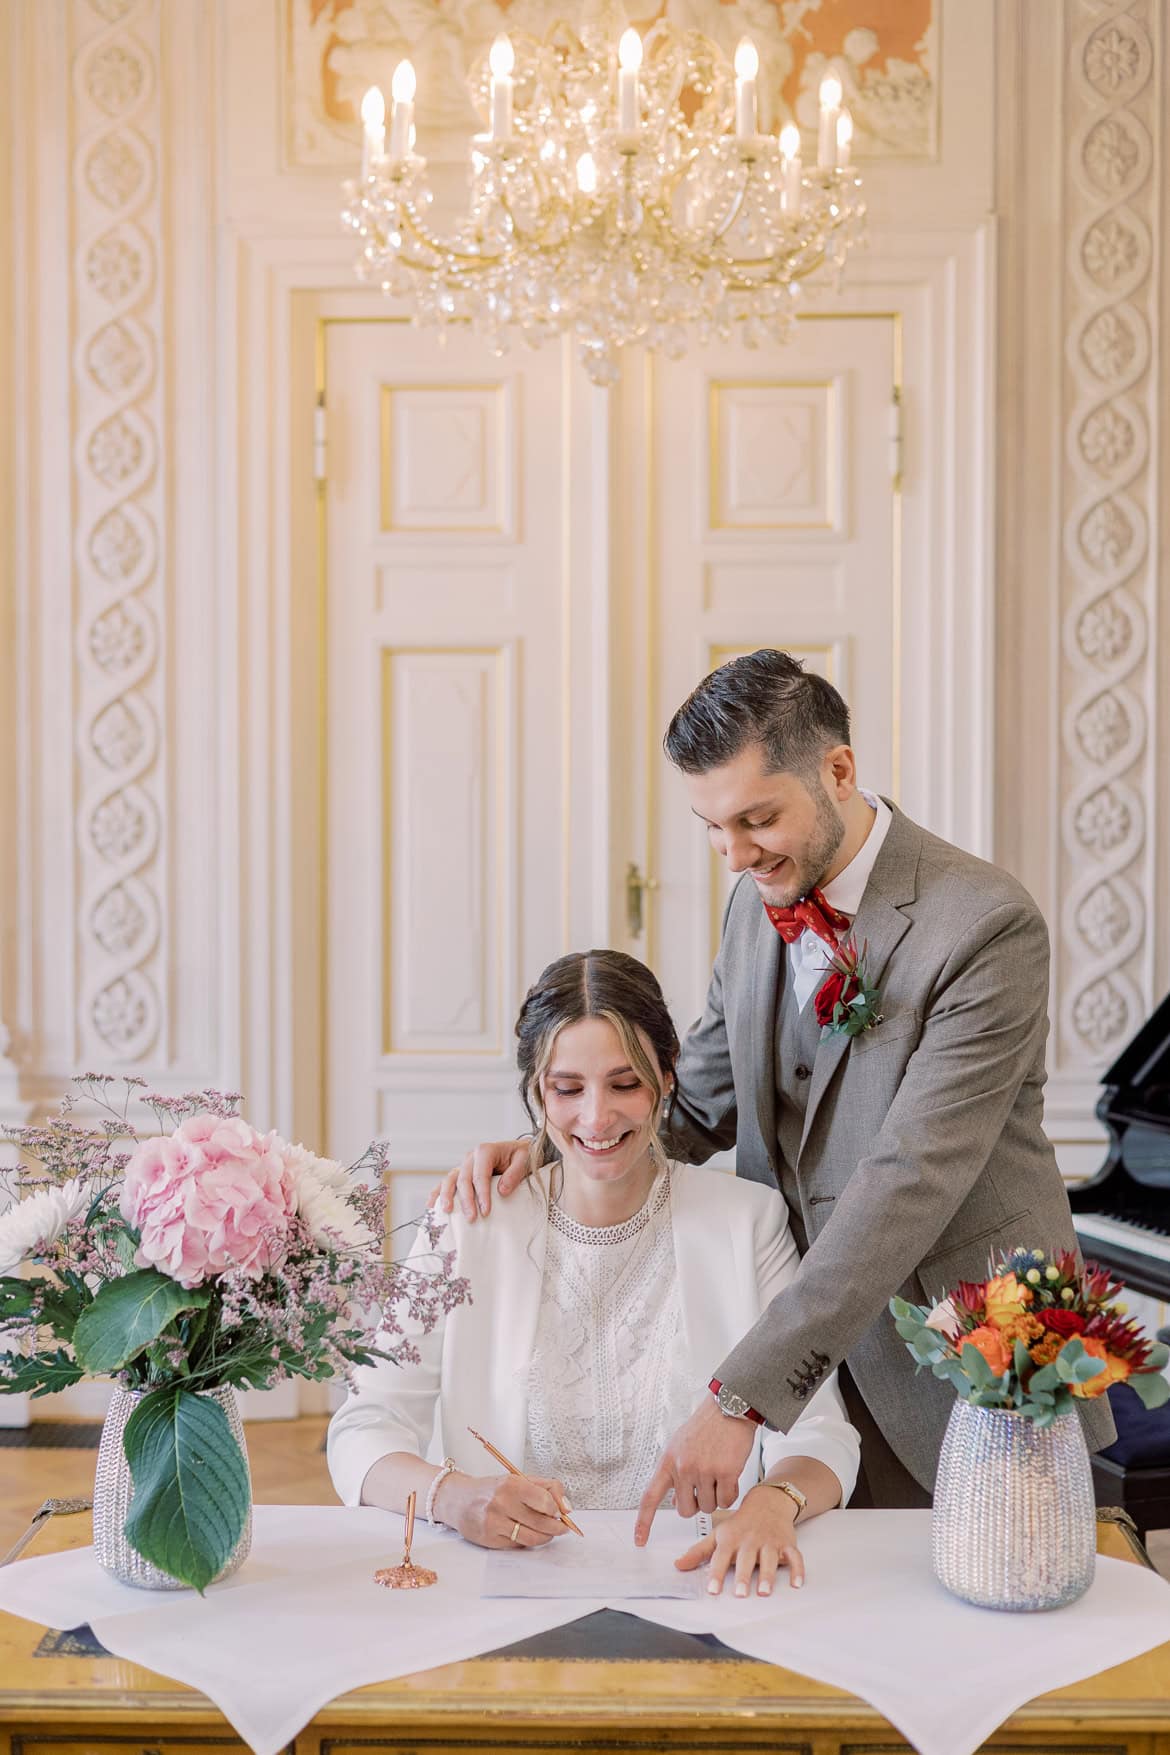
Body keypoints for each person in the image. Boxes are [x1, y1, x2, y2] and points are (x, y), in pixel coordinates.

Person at [436, 650, 1114, 1526]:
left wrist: (739, 1398)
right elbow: (698, 1100)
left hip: (960, 1361)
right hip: (804, 1362)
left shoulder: (985, 925)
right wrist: (552, 1146)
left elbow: (911, 1178)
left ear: (839, 770)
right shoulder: (755, 903)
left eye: (756, 817)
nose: (731, 853)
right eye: (712, 826)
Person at [328, 949, 859, 1595]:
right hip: (503, 1586)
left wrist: (773, 1502)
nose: (597, 1116)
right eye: (568, 1087)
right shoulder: (467, 1222)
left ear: (667, 1079)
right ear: (535, 1090)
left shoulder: (746, 1221)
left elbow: (822, 1432)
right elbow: (362, 1427)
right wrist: (454, 1496)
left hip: (702, 1583)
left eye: (625, 1083)